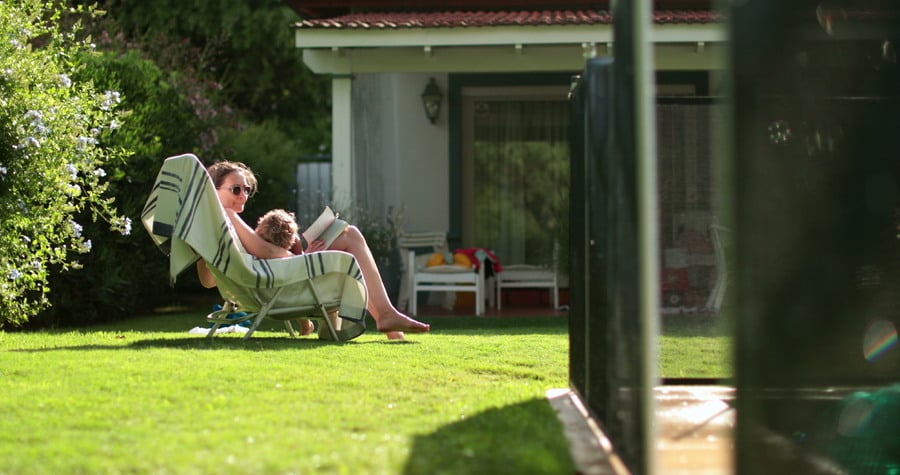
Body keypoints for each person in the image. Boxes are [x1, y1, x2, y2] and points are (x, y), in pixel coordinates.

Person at [196, 160, 429, 340]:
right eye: (236, 189)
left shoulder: (218, 222)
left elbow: (256, 256)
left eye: (246, 189)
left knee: (346, 234)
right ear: (215, 191)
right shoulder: (226, 216)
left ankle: (385, 316)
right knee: (350, 236)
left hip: (277, 278)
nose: (243, 195)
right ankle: (385, 315)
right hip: (279, 282)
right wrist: (302, 258)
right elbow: (266, 253)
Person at [254, 208, 315, 336]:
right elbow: (303, 268)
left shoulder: (254, 246)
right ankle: (306, 326)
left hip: (263, 294)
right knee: (296, 282)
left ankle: (306, 326)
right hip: (290, 294)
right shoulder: (291, 249)